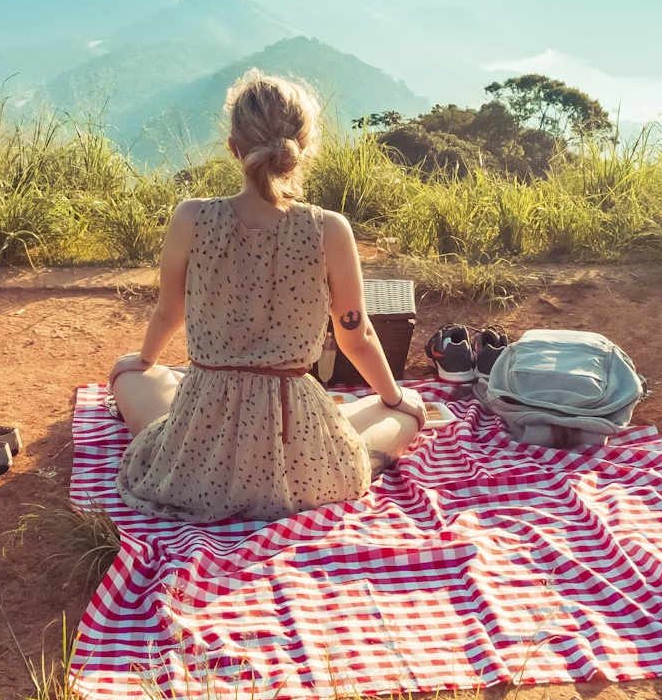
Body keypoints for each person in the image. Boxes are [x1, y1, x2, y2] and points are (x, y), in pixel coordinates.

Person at [108, 70, 426, 523]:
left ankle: (170, 398)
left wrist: (142, 359)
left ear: (234, 148)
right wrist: (395, 398)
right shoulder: (329, 228)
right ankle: (377, 416)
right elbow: (357, 336)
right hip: (297, 440)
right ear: (303, 149)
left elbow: (169, 311)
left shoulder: (191, 218)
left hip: (203, 432)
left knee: (132, 377)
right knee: (402, 411)